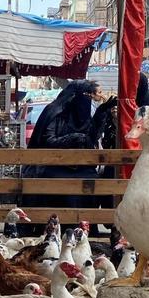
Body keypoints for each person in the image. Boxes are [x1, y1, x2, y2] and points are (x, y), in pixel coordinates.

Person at [23, 80, 116, 212]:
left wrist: (102, 112)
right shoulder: (56, 112)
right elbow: (48, 140)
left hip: (81, 166)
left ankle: (87, 222)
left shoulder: (84, 115)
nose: (87, 100)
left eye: (89, 96)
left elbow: (91, 139)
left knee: (92, 181)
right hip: (53, 165)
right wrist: (72, 138)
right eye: (85, 95)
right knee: (66, 186)